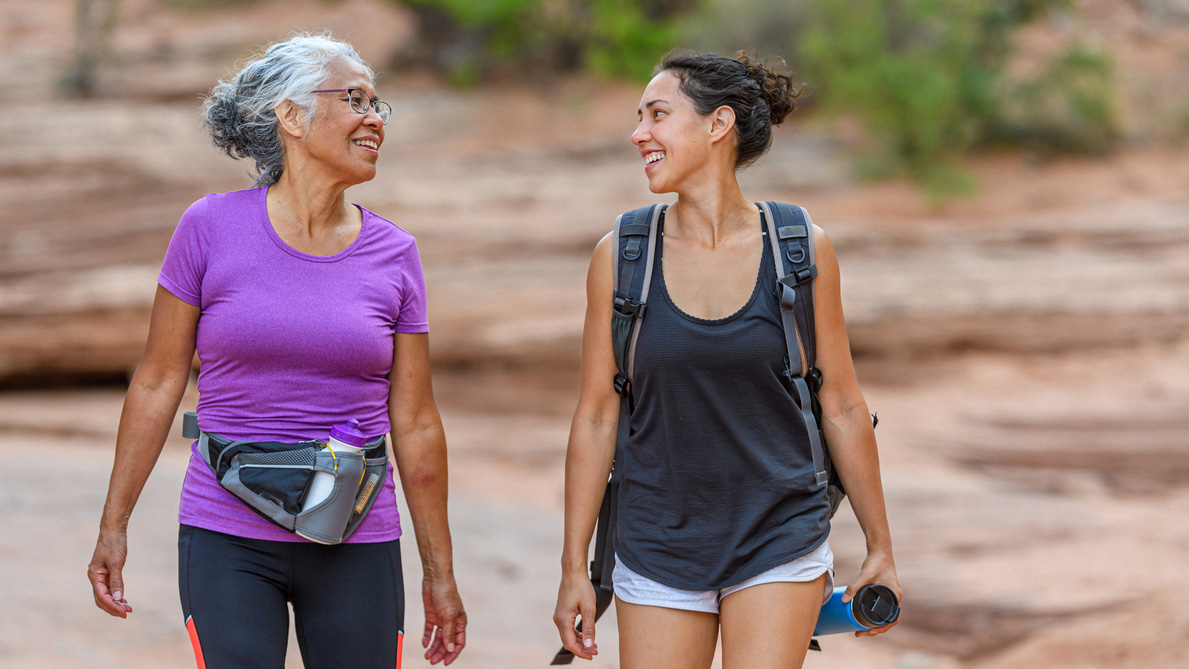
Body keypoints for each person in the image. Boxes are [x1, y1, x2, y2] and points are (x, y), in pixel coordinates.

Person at [86, 33, 466, 668]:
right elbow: (157, 382)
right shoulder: (208, 228)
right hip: (224, 530)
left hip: (356, 533)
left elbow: (417, 420)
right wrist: (113, 524)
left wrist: (439, 572)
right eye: (355, 99)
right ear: (291, 116)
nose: (375, 118)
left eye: (379, 104)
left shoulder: (395, 253)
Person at [553, 50, 901, 668]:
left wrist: (881, 547)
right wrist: (575, 566)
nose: (640, 133)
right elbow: (597, 417)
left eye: (657, 115)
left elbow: (842, 403)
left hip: (779, 533)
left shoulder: (800, 246)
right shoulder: (622, 255)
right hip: (656, 538)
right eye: (639, 118)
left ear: (718, 125)